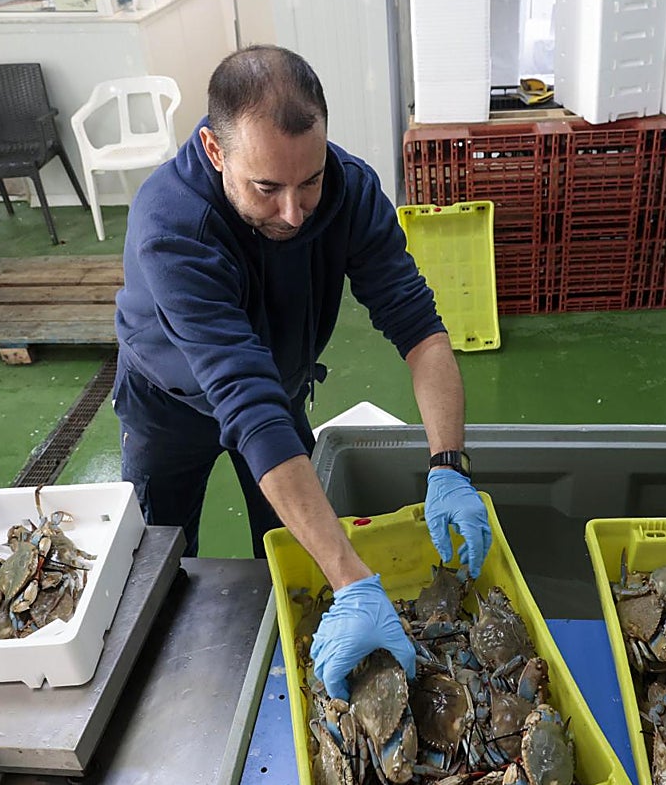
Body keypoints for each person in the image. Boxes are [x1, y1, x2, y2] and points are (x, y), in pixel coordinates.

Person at [113, 45, 491, 700]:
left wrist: (448, 464)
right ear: (214, 150)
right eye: (267, 189)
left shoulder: (349, 189)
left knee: (295, 554)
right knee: (158, 559)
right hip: (168, 405)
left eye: (309, 181)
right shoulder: (172, 224)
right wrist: (355, 577)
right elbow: (244, 399)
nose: (294, 212)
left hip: (276, 390)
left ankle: (297, 657)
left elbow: (421, 331)